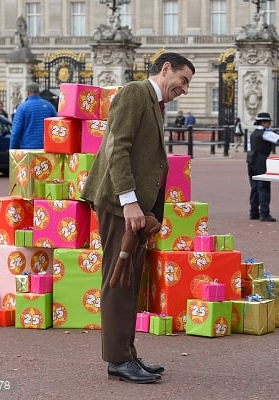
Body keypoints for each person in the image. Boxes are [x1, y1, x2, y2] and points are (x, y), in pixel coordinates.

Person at [81, 52, 195, 384]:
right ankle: (117, 359)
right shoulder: (134, 92)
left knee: (128, 278)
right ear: (166, 69)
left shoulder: (154, 102)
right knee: (118, 279)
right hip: (120, 205)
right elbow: (118, 148)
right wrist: (129, 202)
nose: (185, 89)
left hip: (134, 208)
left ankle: (126, 353)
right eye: (183, 80)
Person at [9, 82, 57, 149]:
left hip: (27, 148)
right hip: (47, 148)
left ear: (28, 92)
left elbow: (16, 131)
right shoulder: (49, 106)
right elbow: (56, 126)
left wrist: (12, 148)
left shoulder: (22, 107)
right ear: (38, 92)